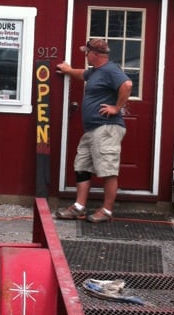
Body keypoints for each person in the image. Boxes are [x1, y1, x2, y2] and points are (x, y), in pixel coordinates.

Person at [54, 37, 133, 223]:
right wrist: (68, 70)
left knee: (107, 169)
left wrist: (116, 108)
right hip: (92, 129)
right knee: (82, 166)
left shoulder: (111, 70)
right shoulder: (96, 72)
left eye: (87, 52)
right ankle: (79, 207)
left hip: (106, 128)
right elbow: (83, 74)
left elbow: (127, 85)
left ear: (95, 54)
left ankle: (106, 211)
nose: (85, 55)